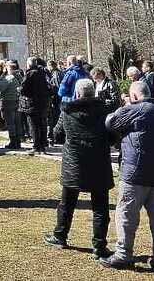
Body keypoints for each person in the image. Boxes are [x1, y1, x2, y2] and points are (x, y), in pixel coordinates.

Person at [101, 81, 154, 273]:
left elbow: (110, 122)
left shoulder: (134, 110)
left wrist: (126, 106)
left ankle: (123, 254)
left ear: (134, 96)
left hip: (134, 173)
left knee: (126, 214)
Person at [45, 79, 114, 259]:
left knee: (67, 204)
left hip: (74, 162)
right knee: (100, 207)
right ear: (93, 93)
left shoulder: (67, 111)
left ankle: (60, 235)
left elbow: (57, 134)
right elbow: (113, 136)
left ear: (77, 93)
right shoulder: (105, 110)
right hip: (98, 161)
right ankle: (99, 245)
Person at [21, 58, 51, 154]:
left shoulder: (30, 74)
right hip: (42, 102)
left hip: (32, 102)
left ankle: (36, 146)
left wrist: (19, 90)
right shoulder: (42, 73)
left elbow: (24, 88)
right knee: (42, 124)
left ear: (29, 64)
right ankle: (43, 145)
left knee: (33, 125)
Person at [0, 62, 22, 149]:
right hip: (17, 100)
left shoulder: (9, 78)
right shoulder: (19, 77)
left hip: (8, 101)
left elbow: (0, 87)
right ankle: (18, 141)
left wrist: (2, 75)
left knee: (10, 123)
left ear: (8, 68)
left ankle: (13, 142)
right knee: (17, 122)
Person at [47, 60, 63, 143]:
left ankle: (55, 136)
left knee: (55, 118)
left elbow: (57, 87)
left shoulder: (56, 74)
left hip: (56, 99)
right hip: (58, 99)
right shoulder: (59, 73)